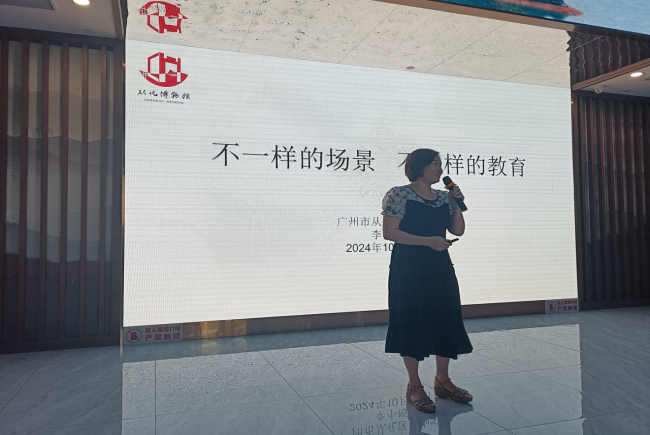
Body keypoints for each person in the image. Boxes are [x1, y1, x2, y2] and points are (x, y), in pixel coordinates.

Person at [381, 148, 473, 413]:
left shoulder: (444, 197)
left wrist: (456, 203)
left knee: (445, 318)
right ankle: (414, 385)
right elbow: (390, 232)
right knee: (411, 320)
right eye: (434, 163)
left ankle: (443, 380)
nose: (440, 168)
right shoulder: (399, 194)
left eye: (441, 164)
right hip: (409, 267)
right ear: (418, 166)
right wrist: (428, 242)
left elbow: (458, 230)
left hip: (439, 265)